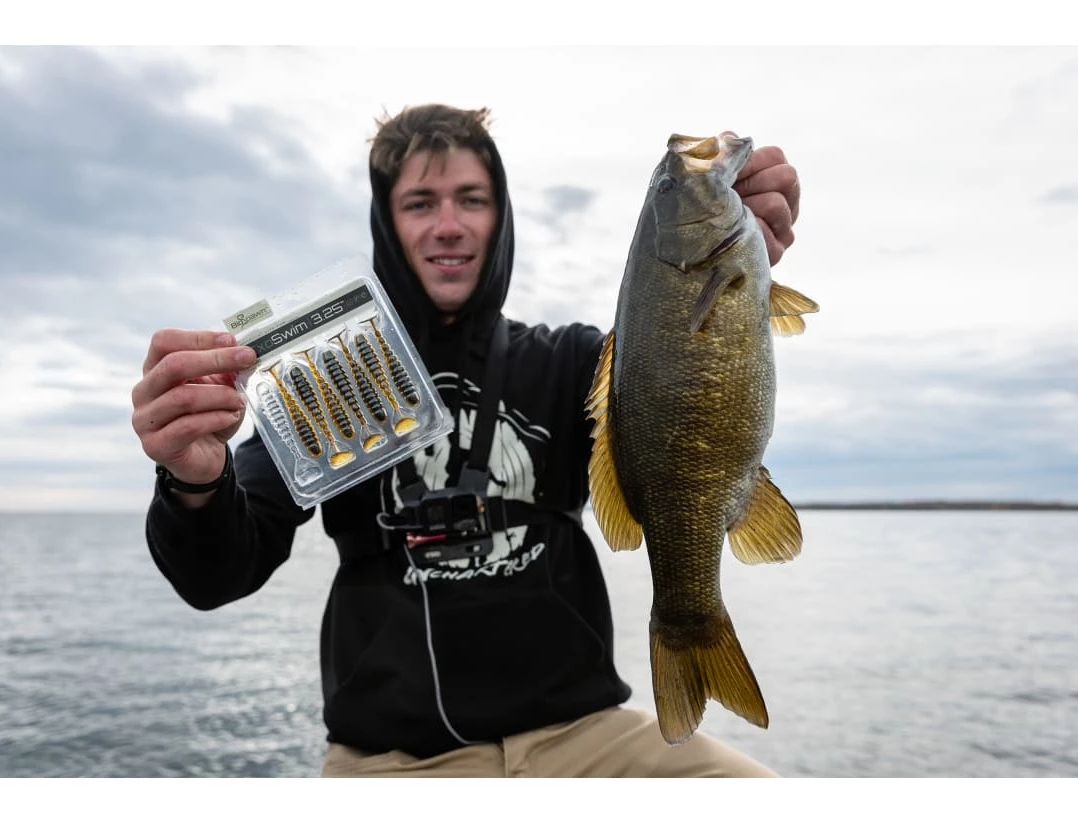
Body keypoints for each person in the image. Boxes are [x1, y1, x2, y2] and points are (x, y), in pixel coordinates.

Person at [131, 104, 802, 778]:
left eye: (471, 200)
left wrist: (731, 273)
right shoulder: (338, 382)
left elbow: (682, 379)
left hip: (583, 736)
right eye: (420, 203)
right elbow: (216, 576)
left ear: (500, 218)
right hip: (393, 762)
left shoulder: (572, 362)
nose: (448, 225)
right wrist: (195, 479)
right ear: (387, 224)